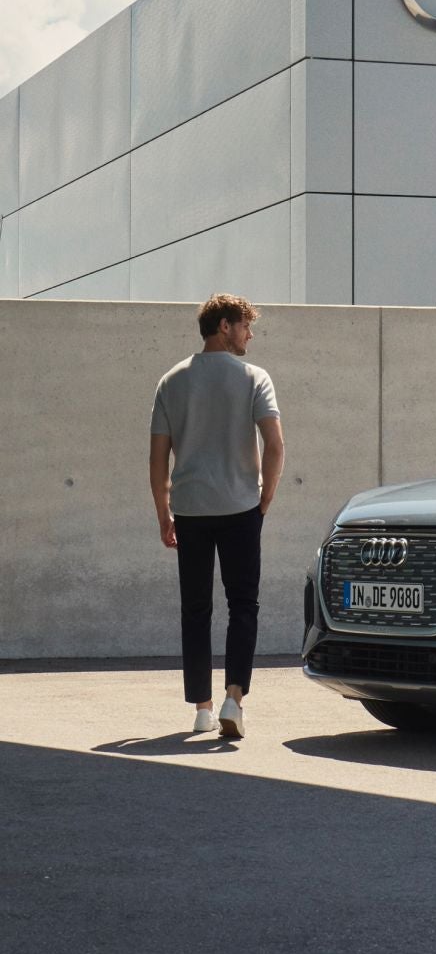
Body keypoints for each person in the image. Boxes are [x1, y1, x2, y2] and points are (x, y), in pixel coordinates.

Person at [149, 294, 285, 739]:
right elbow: (276, 445)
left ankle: (202, 709)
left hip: (190, 509)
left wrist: (163, 513)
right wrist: (265, 498)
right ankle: (233, 700)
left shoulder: (171, 381)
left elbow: (158, 458)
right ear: (224, 326)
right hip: (242, 507)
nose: (250, 334)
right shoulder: (253, 377)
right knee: (243, 605)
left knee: (195, 609)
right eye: (246, 325)